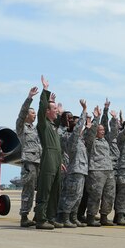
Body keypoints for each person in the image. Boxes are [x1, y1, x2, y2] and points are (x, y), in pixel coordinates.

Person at [33, 75, 64, 230]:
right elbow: (41, 109)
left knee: (55, 189)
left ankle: (50, 217)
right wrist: (45, 91)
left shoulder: (53, 127)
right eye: (54, 109)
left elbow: (60, 120)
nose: (56, 112)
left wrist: (61, 161)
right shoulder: (43, 125)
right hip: (48, 158)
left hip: (57, 159)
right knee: (45, 189)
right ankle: (40, 219)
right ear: (47, 112)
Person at [57, 100, 88, 228]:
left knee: (78, 196)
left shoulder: (80, 140)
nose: (81, 129)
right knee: (71, 195)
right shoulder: (71, 138)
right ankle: (64, 218)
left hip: (81, 170)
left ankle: (73, 217)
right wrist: (84, 111)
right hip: (75, 170)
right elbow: (76, 130)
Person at [83, 102, 115, 227]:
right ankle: (91, 217)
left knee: (109, 195)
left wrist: (110, 115)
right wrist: (96, 118)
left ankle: (104, 216)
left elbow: (112, 131)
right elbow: (91, 133)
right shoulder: (91, 141)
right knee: (95, 195)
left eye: (103, 130)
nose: (102, 131)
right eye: (100, 130)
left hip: (108, 170)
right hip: (96, 171)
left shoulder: (105, 141)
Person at [16, 86, 41, 228]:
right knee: (28, 190)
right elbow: (21, 114)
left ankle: (37, 215)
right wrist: (29, 98)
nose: (34, 115)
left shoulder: (34, 129)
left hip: (38, 161)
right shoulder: (22, 127)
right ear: (27, 115)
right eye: (32, 113)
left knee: (37, 190)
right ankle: (24, 217)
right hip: (29, 163)